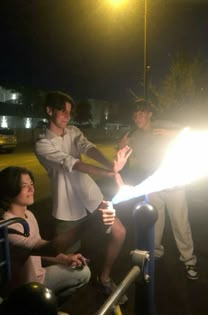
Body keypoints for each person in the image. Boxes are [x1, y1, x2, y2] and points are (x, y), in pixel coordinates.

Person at [34, 91, 131, 301]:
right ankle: (64, 297)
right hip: (66, 206)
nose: (67, 116)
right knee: (66, 258)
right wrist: (110, 173)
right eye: (62, 110)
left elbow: (89, 148)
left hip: (90, 196)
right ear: (49, 111)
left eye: (69, 112)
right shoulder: (42, 144)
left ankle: (104, 278)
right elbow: (73, 163)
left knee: (119, 232)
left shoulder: (73, 131)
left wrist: (110, 164)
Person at [118, 100, 199, 280]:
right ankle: (155, 253)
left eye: (141, 113)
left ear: (149, 114)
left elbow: (191, 133)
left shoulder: (163, 126)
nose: (137, 117)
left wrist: (173, 133)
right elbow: (121, 154)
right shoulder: (135, 136)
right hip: (152, 185)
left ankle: (189, 260)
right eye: (135, 114)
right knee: (154, 222)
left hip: (174, 182)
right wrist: (121, 144)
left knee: (180, 222)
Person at [0, 166, 92, 303]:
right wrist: (91, 223)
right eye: (24, 186)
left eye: (31, 184)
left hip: (39, 278)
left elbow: (37, 252)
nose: (31, 189)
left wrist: (66, 258)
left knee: (83, 271)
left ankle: (47, 305)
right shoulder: (8, 226)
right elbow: (47, 248)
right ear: (9, 190)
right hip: (25, 290)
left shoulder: (28, 214)